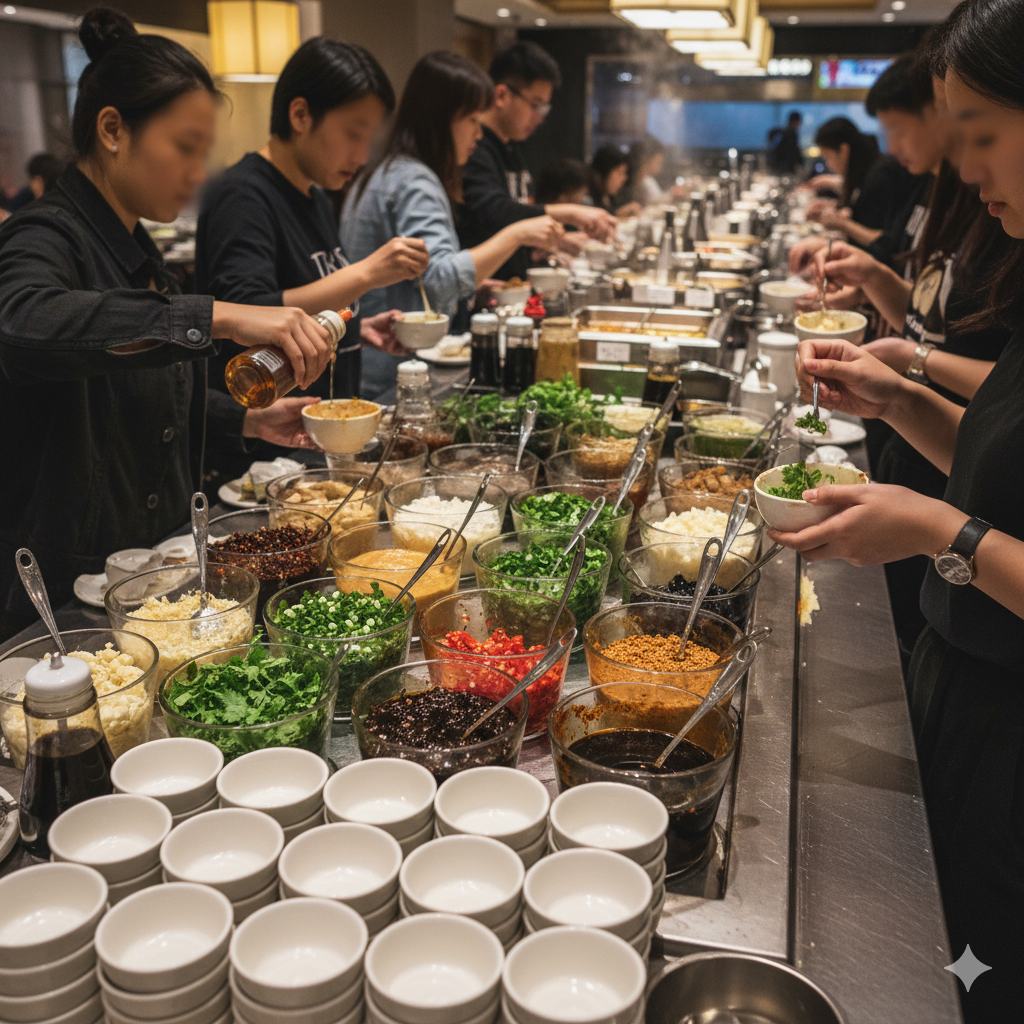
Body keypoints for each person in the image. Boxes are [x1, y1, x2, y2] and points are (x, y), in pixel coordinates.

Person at [771, 1, 1024, 1017]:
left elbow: (975, 516)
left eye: (982, 137)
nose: (964, 171)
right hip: (964, 688)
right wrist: (899, 398)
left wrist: (935, 530)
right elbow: (1004, 463)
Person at [0, 8, 334, 637]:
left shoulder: (138, 251)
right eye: (185, 147)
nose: (197, 172)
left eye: (203, 151)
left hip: (147, 578)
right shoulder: (44, 234)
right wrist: (219, 315)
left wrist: (246, 418)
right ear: (112, 130)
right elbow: (24, 325)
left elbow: (137, 394)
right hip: (59, 602)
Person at [195, 36, 430, 435]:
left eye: (369, 139)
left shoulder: (316, 195)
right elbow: (247, 313)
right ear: (301, 115)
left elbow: (304, 304)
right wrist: (367, 273)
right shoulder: (242, 196)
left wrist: (353, 328)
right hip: (268, 448)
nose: (361, 155)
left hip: (316, 437)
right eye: (353, 134)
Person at [341, 51, 562, 395]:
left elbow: (420, 274)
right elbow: (438, 281)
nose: (478, 133)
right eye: (472, 119)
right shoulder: (414, 181)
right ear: (441, 119)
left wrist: (474, 285)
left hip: (372, 366)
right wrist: (517, 234)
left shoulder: (390, 170)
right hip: (392, 374)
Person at [457, 41, 616, 282]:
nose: (540, 118)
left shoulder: (511, 148)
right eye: (535, 105)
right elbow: (493, 213)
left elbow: (516, 217)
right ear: (502, 95)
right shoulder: (474, 149)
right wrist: (571, 213)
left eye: (544, 109)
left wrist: (559, 242)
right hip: (484, 293)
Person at [790, 54, 942, 278]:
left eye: (897, 131)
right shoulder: (926, 181)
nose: (891, 148)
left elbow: (886, 248)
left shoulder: (884, 173)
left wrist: (839, 224)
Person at [807, 117, 917, 247]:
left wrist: (841, 223)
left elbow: (887, 242)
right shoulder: (868, 170)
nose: (828, 165)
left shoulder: (881, 175)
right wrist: (833, 207)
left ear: (843, 150)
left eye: (828, 157)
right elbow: (864, 210)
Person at [587, 146, 637, 216]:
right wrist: (616, 215)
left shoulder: (609, 196)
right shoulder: (587, 200)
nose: (624, 179)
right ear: (602, 172)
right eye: (619, 172)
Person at [624, 136, 666, 207]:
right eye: (658, 162)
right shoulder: (628, 184)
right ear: (647, 159)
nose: (660, 165)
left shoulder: (647, 180)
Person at [766, 110, 803, 175]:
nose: (798, 125)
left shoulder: (784, 133)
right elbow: (793, 151)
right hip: (785, 168)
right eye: (798, 123)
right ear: (795, 122)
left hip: (780, 167)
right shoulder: (789, 134)